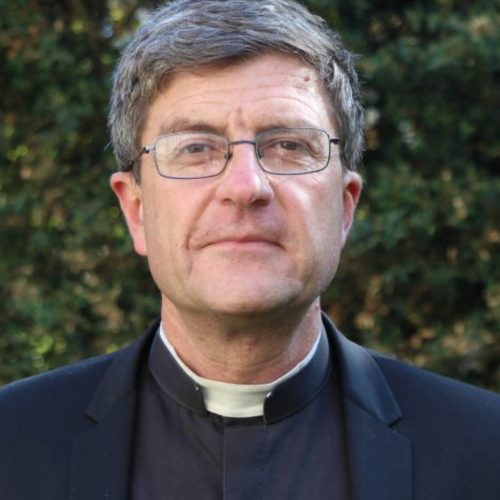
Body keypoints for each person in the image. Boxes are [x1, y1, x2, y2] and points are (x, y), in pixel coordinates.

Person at [1, 0, 499, 498]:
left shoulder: (484, 451)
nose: (245, 186)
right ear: (136, 210)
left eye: (288, 145)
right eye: (195, 148)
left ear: (345, 207)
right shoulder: (12, 446)